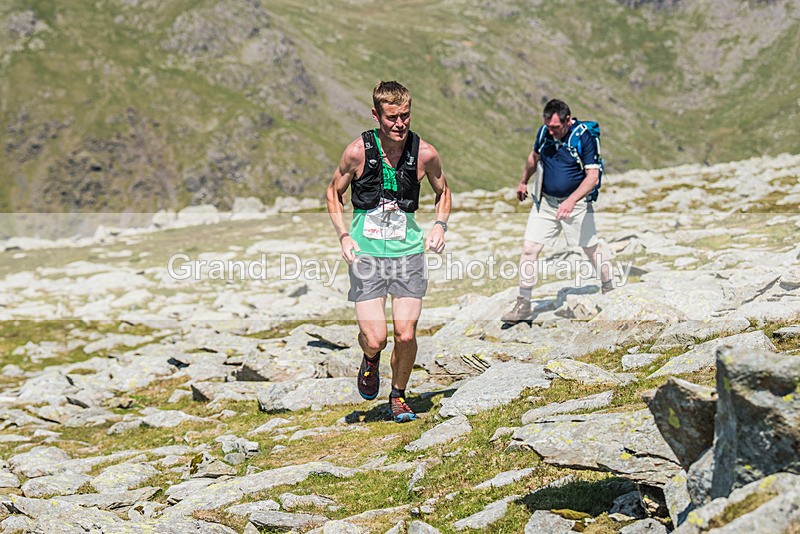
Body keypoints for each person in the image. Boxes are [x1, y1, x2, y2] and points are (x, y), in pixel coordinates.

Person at [326, 80, 451, 422]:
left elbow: (444, 191)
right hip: (365, 256)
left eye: (405, 116)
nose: (400, 124)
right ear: (376, 115)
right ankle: (370, 358)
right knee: (376, 337)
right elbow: (332, 193)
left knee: (405, 333)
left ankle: (398, 394)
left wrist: (440, 225)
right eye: (392, 118)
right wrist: (343, 236)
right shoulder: (357, 152)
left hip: (408, 255)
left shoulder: (425, 153)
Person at [502, 98, 612, 323]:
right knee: (529, 248)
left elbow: (593, 176)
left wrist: (571, 201)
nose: (551, 132)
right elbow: (534, 158)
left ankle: (610, 289)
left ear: (568, 121)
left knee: (590, 247)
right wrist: (523, 181)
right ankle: (523, 303)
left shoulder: (584, 137)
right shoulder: (544, 133)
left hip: (577, 204)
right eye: (548, 127)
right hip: (547, 202)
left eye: (555, 127)